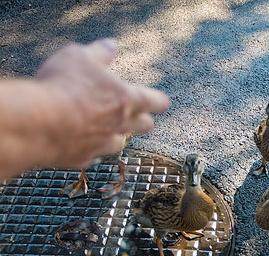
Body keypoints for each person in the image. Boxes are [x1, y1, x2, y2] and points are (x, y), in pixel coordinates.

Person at [0, 39, 170, 181]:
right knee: (95, 150)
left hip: (112, 140)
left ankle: (120, 177)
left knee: (113, 153)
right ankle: (83, 175)